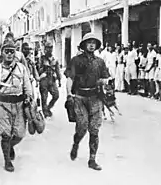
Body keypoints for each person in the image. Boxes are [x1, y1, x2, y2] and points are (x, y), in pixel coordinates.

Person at [0, 38, 33, 172]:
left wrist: (30, 97)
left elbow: (27, 85)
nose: (9, 54)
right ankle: (7, 161)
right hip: (2, 105)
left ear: (15, 54)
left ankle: (10, 146)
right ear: (2, 54)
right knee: (5, 134)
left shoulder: (21, 68)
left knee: (20, 134)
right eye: (6, 52)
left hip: (19, 104)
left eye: (12, 52)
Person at [64, 32, 109, 171]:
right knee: (82, 127)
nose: (91, 45)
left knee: (94, 130)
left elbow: (104, 78)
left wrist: (104, 84)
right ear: (83, 45)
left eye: (93, 42)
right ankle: (76, 143)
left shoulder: (100, 62)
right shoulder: (76, 60)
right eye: (88, 42)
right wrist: (69, 95)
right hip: (80, 97)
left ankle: (92, 159)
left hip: (95, 98)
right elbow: (70, 78)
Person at [38, 42, 61, 118]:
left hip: (52, 79)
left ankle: (48, 108)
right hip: (44, 79)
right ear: (45, 49)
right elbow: (38, 70)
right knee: (44, 98)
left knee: (56, 95)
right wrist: (44, 67)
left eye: (51, 48)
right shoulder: (41, 58)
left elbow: (57, 70)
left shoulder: (54, 59)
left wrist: (59, 80)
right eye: (48, 48)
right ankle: (45, 112)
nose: (49, 49)